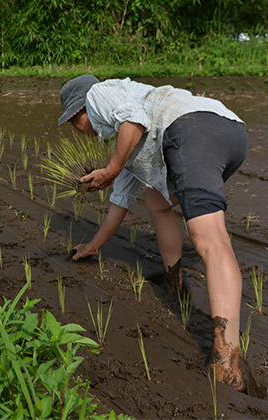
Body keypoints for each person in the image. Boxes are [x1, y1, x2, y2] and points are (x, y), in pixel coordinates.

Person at [58, 74, 252, 392]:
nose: (78, 130)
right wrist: (92, 246)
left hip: (191, 131)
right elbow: (118, 205)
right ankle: (175, 281)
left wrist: (111, 168)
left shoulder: (99, 95)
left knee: (210, 240)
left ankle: (227, 363)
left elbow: (132, 122)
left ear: (80, 111)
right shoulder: (130, 144)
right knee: (157, 201)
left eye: (72, 122)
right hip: (229, 131)